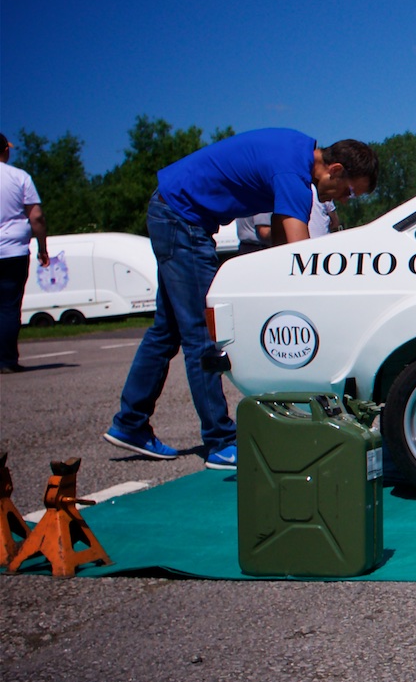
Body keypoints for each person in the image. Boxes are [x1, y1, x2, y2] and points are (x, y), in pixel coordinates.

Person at [104, 130, 377, 468]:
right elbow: (300, 256)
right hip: (182, 219)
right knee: (203, 336)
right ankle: (219, 440)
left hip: (174, 210)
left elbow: (280, 241)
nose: (347, 200)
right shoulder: (292, 175)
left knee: (167, 330)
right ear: (335, 169)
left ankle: (130, 423)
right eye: (350, 191)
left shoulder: (295, 153)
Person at [0, 133, 51, 374]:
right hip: (13, 250)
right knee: (9, 306)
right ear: (5, 151)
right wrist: (42, 248)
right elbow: (37, 216)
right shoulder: (19, 177)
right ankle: (6, 360)